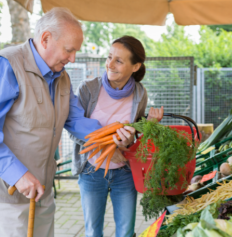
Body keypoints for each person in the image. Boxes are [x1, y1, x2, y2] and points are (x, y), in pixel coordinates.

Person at [0, 8, 134, 237]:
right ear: (45, 38)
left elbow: (75, 119)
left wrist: (113, 137)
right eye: (69, 50)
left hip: (41, 190)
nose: (72, 59)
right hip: (5, 192)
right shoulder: (4, 66)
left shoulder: (62, 77)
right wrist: (17, 174)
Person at [70, 36, 164, 237]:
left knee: (126, 232)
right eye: (109, 57)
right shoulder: (88, 89)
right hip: (91, 171)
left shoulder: (140, 93)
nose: (109, 64)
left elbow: (134, 134)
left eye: (119, 61)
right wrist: (105, 150)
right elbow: (74, 129)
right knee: (93, 232)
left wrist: (142, 131)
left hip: (124, 173)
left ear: (135, 66)